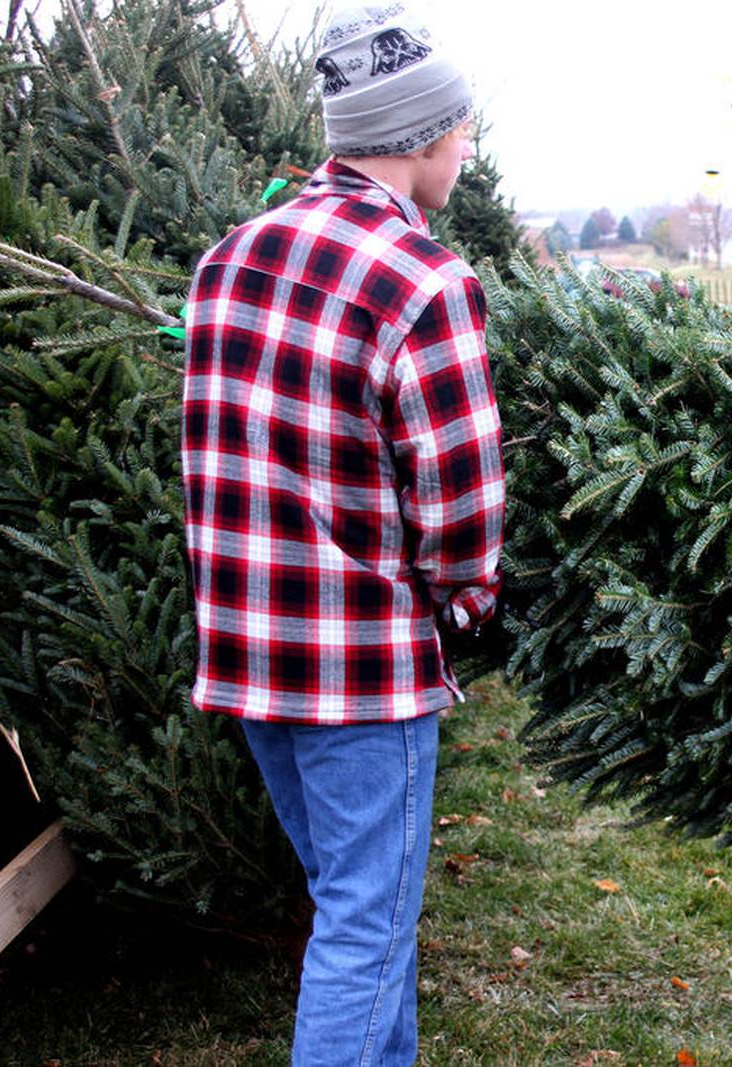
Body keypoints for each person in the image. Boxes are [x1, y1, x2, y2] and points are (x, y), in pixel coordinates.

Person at [180, 5, 504, 1062]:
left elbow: (207, 458)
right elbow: (460, 512)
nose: (466, 146)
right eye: (460, 127)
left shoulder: (226, 259)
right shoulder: (424, 281)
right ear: (415, 135)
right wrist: (466, 607)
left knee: (356, 908)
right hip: (360, 674)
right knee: (364, 930)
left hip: (242, 656)